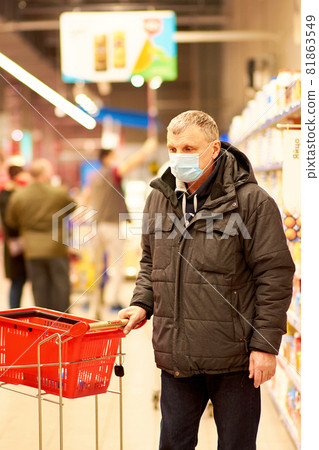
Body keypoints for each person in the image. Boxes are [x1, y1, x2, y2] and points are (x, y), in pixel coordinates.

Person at [119, 110, 295, 449]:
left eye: (188, 148)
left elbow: (274, 274)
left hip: (235, 359)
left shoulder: (251, 202)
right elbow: (150, 261)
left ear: (214, 149)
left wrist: (264, 344)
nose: (178, 157)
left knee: (236, 445)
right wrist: (141, 302)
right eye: (172, 148)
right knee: (173, 443)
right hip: (177, 355)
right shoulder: (159, 197)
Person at [87, 137, 157, 316]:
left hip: (96, 225)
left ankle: (95, 301)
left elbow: (85, 198)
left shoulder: (94, 176)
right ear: (107, 157)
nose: (117, 158)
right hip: (111, 225)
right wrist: (147, 149)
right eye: (114, 155)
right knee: (117, 264)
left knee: (97, 266)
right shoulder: (111, 172)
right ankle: (113, 300)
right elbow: (131, 164)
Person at [5, 158, 76, 312]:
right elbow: (73, 207)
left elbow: (11, 220)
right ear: (46, 174)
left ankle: (43, 323)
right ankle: (64, 323)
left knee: (39, 289)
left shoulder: (19, 196)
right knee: (60, 287)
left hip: (32, 249)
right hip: (56, 247)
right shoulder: (58, 193)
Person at [0, 164, 28, 308]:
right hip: (15, 244)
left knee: (18, 281)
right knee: (17, 281)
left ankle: (15, 313)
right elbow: (10, 221)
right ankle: (14, 315)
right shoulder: (8, 194)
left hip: (16, 243)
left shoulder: (9, 193)